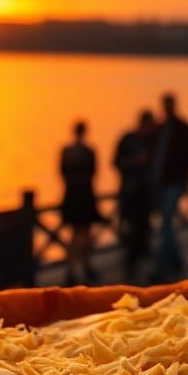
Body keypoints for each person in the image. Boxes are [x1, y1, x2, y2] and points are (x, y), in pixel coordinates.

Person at [150, 93, 188, 282]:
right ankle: (176, 260)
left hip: (174, 182)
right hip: (160, 182)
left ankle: (160, 268)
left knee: (166, 222)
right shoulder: (159, 129)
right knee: (167, 222)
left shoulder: (183, 128)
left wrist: (183, 177)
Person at [113, 110, 156, 277]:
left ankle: (139, 262)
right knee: (132, 228)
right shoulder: (128, 139)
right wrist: (134, 162)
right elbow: (116, 162)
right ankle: (130, 265)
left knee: (143, 228)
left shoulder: (152, 141)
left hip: (145, 193)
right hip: (130, 192)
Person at [60, 120, 103, 285]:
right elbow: (94, 173)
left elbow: (62, 173)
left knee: (74, 234)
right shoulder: (89, 151)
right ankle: (85, 267)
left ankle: (71, 270)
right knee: (85, 233)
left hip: (71, 195)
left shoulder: (66, 151)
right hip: (85, 195)